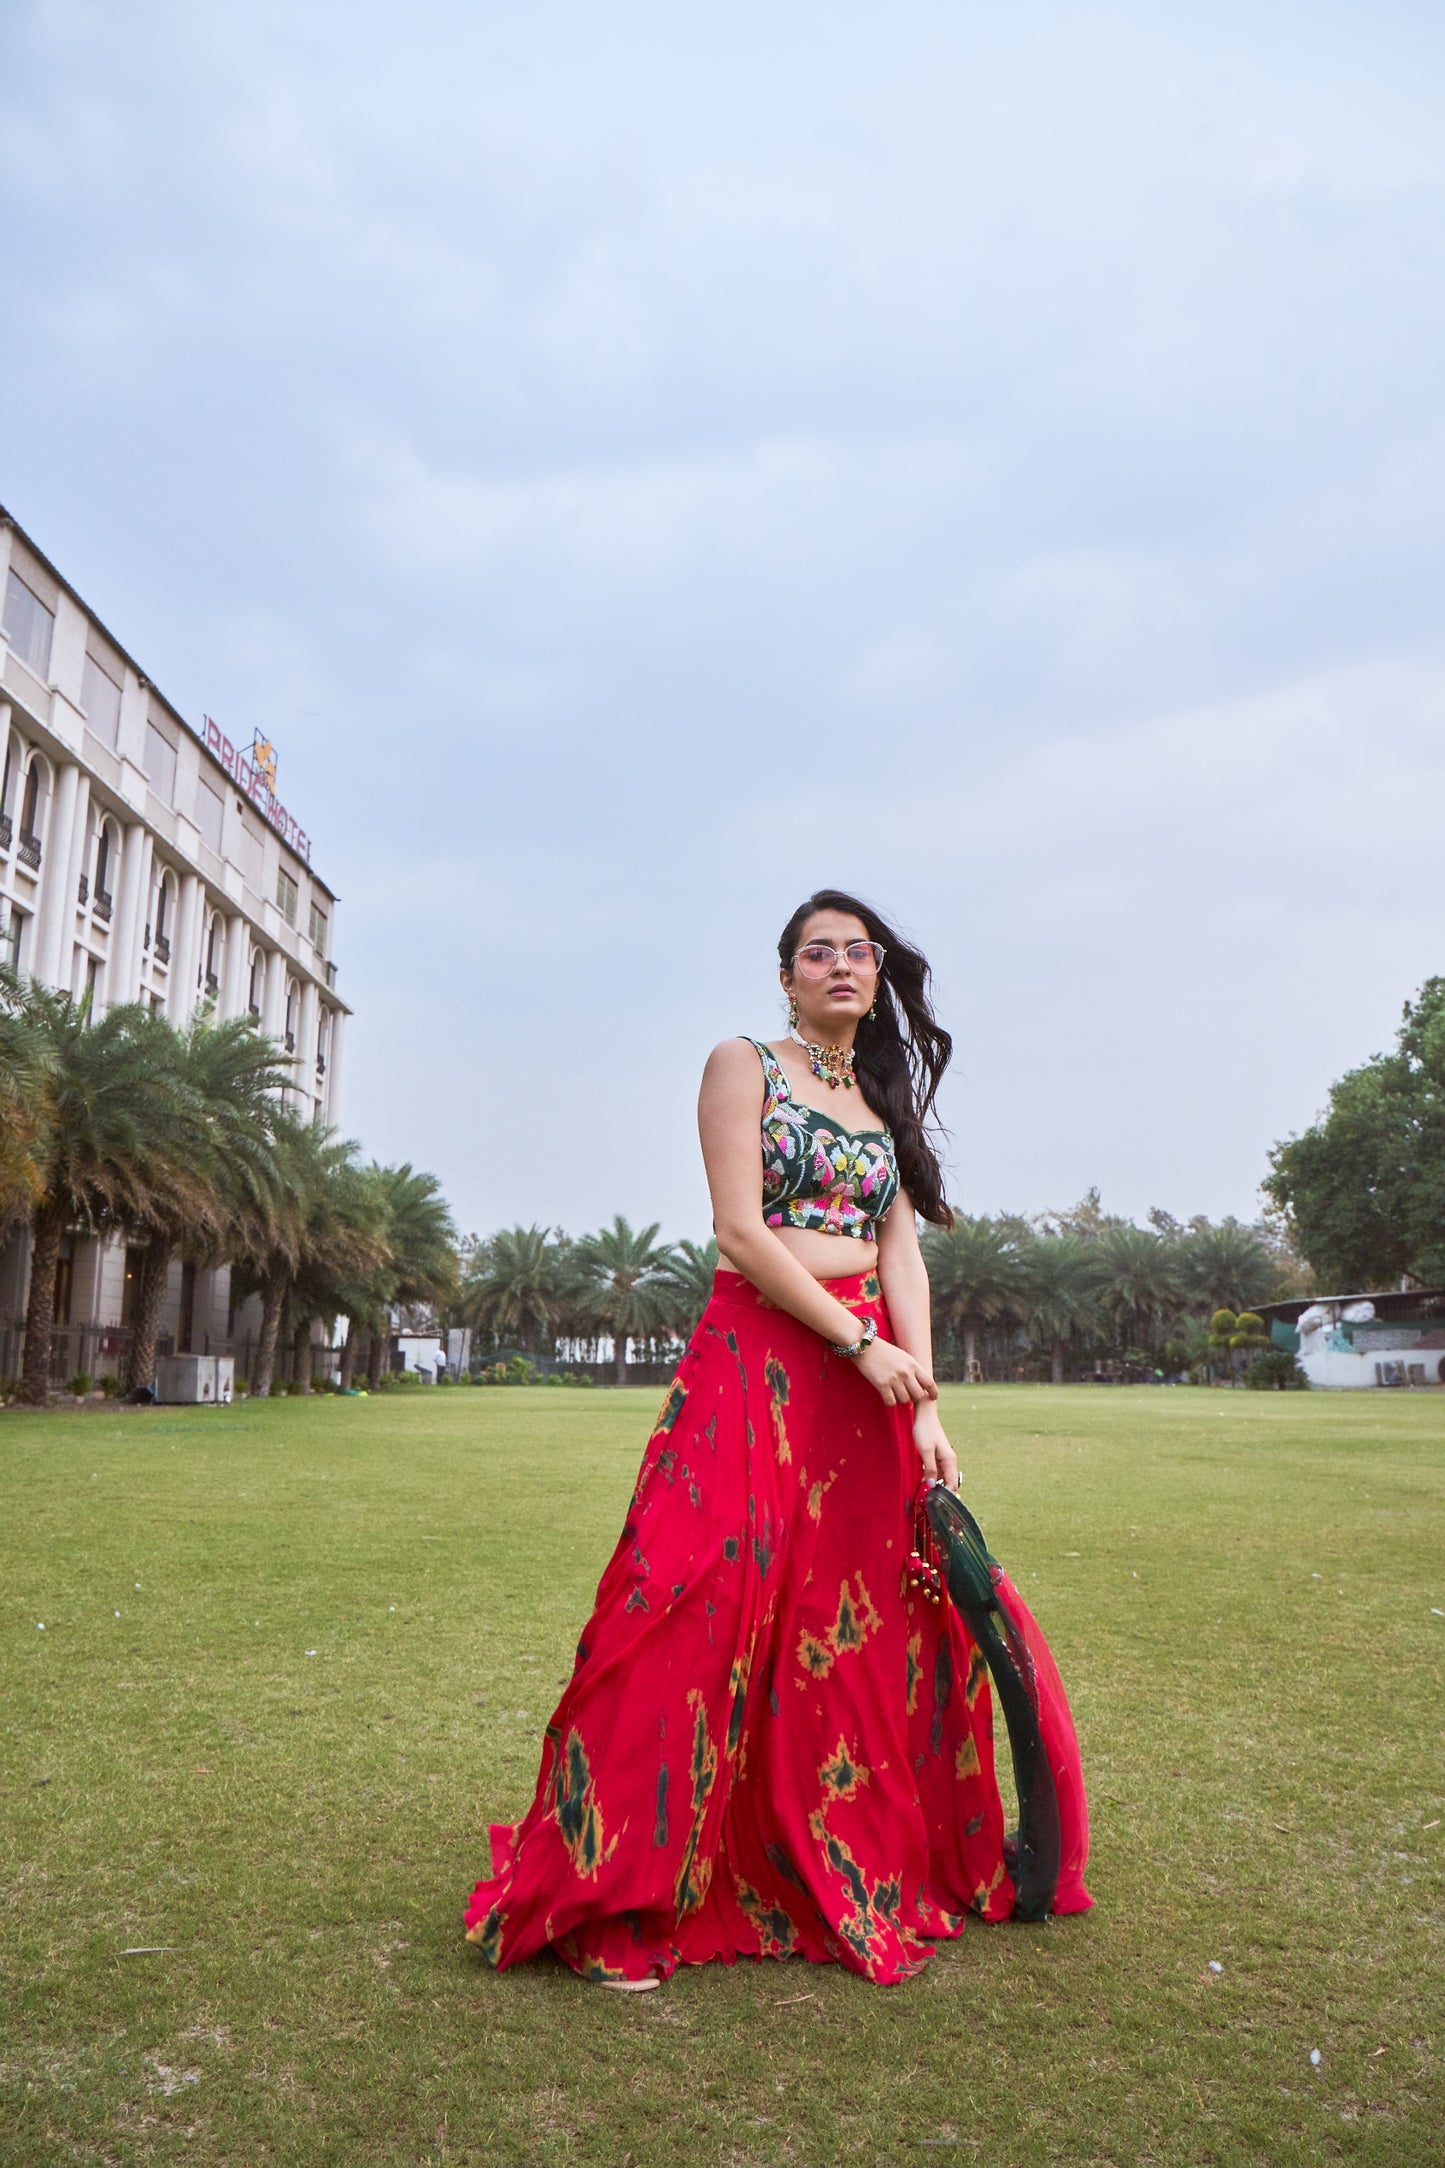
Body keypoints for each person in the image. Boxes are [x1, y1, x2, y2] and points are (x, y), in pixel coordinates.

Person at [464, 889, 1090, 1989]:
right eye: (818, 951)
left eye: (859, 951)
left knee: (857, 1618)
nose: (841, 965)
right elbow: (741, 1233)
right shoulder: (740, 1061)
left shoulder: (879, 1094)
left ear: (878, 972)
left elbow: (903, 1252)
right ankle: (618, 1889)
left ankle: (837, 1853)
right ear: (786, 972)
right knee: (696, 1592)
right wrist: (857, 1338)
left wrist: (925, 1401)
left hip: (869, 1379)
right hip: (762, 1357)